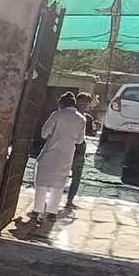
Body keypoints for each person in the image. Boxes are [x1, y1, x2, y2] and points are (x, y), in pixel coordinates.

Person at [32, 92, 86, 226]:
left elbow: (44, 133)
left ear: (61, 104)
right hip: (67, 155)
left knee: (42, 182)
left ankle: (38, 209)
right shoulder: (81, 119)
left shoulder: (57, 115)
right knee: (59, 183)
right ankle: (52, 212)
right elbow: (80, 140)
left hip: (50, 153)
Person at [64, 92, 97, 209]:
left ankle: (70, 200)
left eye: (86, 103)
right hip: (66, 148)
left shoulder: (88, 119)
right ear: (76, 102)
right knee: (61, 175)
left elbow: (90, 134)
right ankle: (54, 197)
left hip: (79, 151)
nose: (83, 104)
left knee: (76, 177)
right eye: (81, 102)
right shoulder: (69, 114)